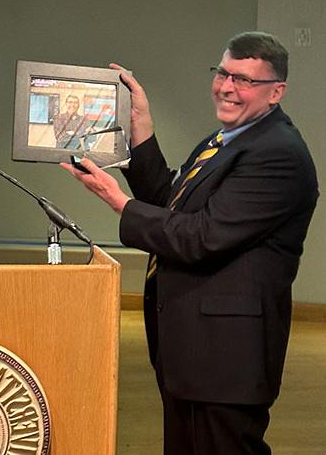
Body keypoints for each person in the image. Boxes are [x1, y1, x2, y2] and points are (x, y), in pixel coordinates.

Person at [62, 32, 319, 454]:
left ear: (277, 92)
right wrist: (141, 128)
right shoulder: (225, 141)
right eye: (223, 73)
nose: (227, 87)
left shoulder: (277, 154)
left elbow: (202, 237)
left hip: (225, 364)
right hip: (194, 354)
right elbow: (172, 204)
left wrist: (119, 204)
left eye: (244, 80)